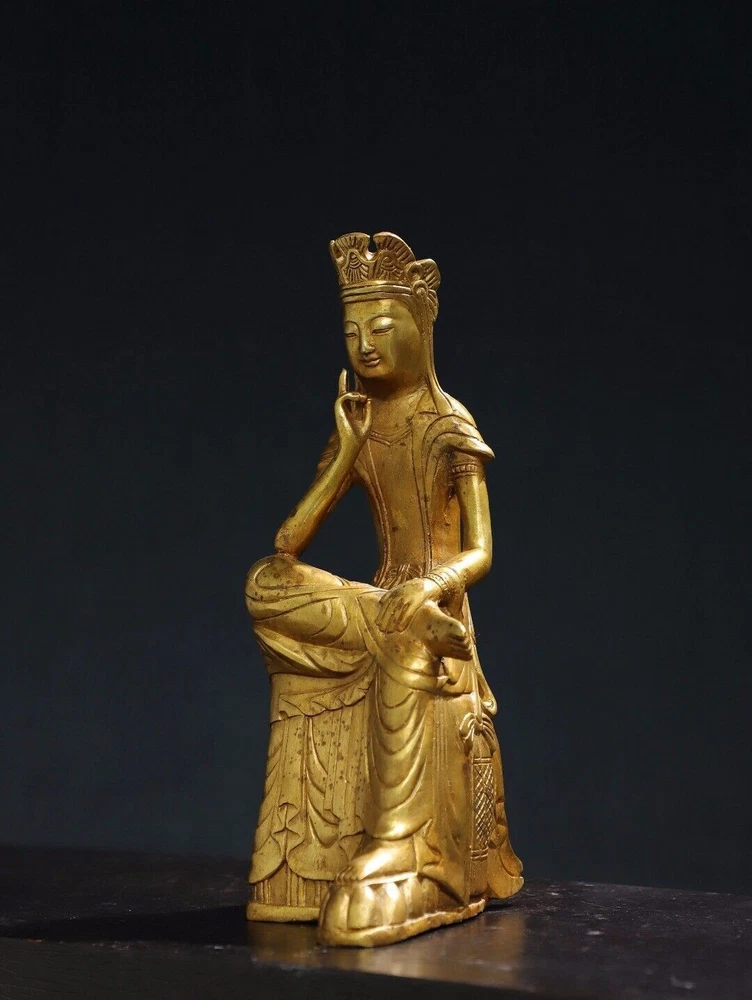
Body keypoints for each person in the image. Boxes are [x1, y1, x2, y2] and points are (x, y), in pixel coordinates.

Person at [245, 232, 522, 946]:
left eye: (381, 328)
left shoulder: (449, 424)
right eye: (352, 332)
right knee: (265, 583)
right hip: (380, 606)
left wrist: (431, 585)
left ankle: (400, 845)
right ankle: (394, 623)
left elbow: (481, 550)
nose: (365, 346)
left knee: (404, 631)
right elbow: (288, 543)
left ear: (420, 328)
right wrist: (344, 453)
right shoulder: (361, 423)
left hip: (431, 607)